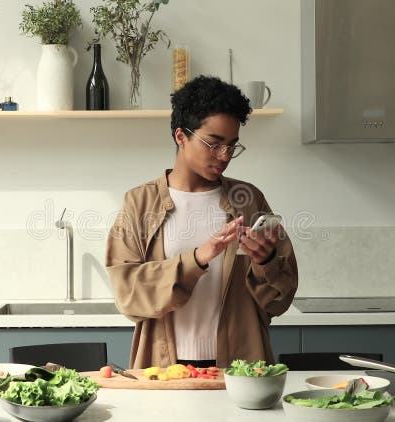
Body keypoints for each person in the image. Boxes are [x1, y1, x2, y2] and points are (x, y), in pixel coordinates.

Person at [105, 75, 298, 369]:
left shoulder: (249, 200)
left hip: (240, 367)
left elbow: (279, 301)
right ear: (181, 137)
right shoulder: (139, 203)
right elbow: (128, 296)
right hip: (163, 367)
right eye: (214, 143)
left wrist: (267, 261)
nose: (224, 156)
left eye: (232, 146)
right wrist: (196, 259)